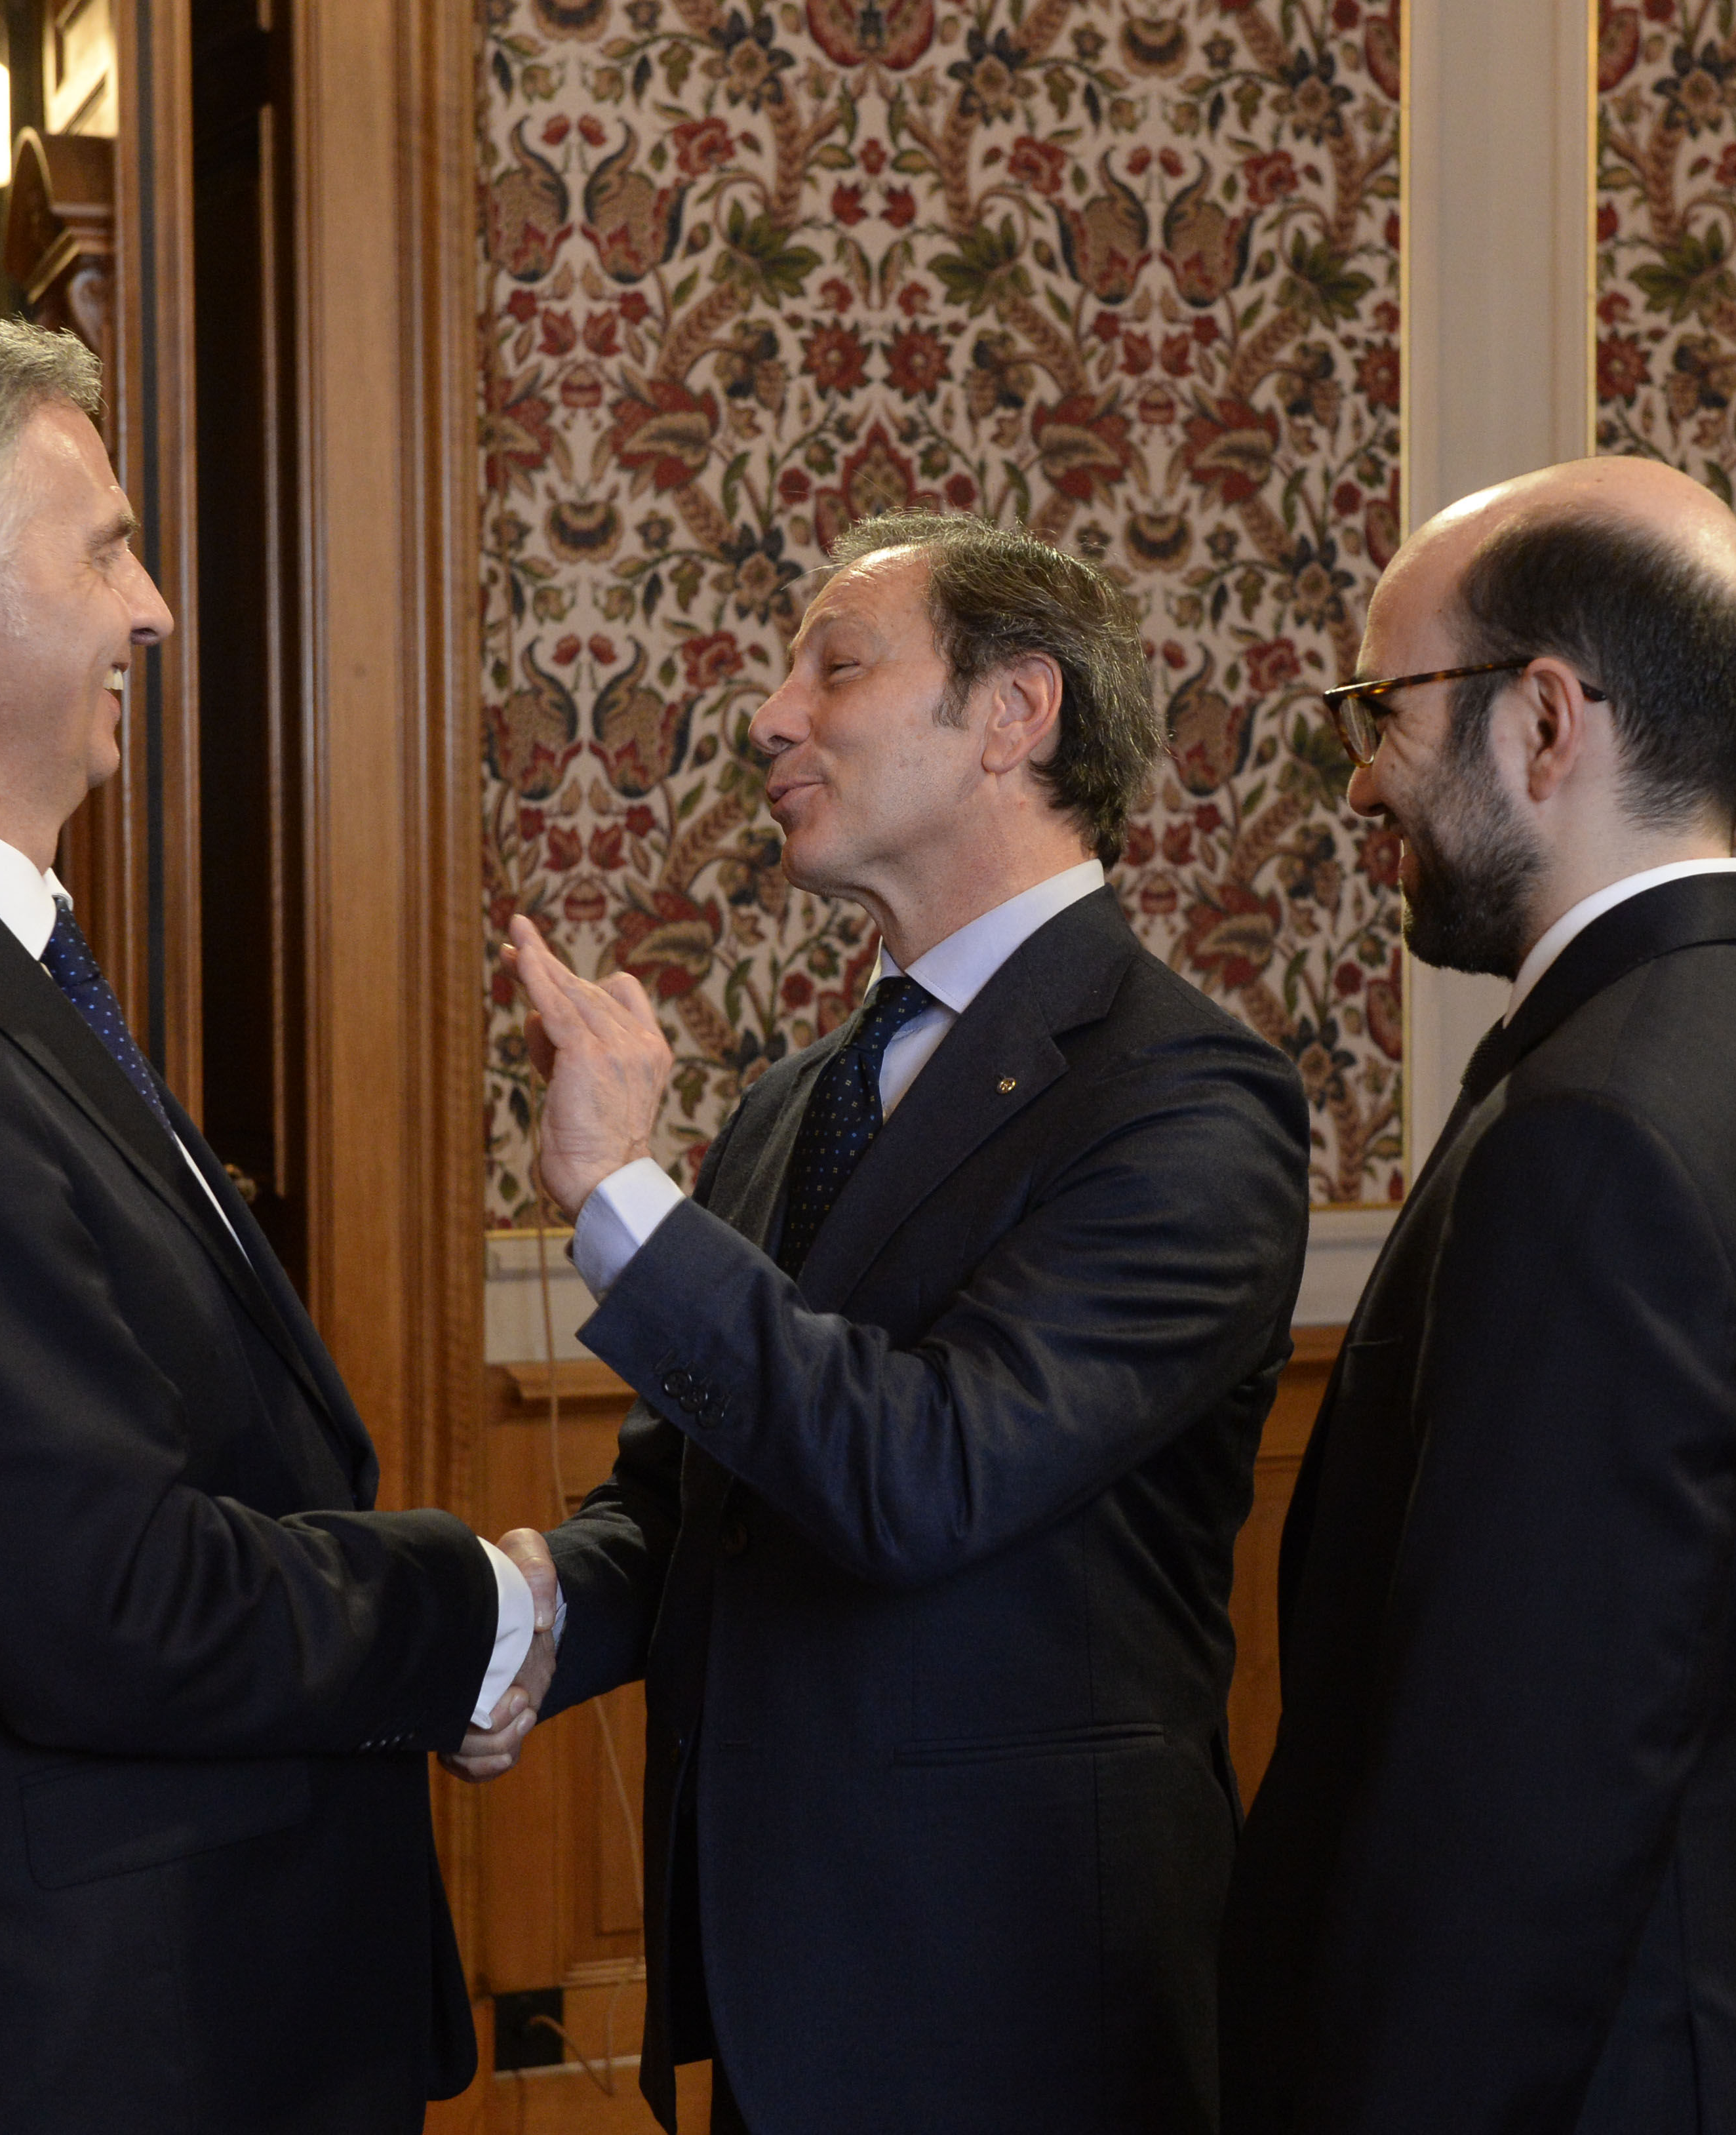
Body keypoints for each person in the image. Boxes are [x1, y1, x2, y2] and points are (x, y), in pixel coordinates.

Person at [0, 306, 557, 2135]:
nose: (150, 608)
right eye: (110, 548)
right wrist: (474, 1602)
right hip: (59, 2052)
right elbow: (111, 1603)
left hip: (162, 2021)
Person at [473, 508, 1311, 2134]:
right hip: (788, 2001)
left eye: (837, 665)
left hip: (1022, 2017)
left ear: (1014, 715)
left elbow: (930, 1469)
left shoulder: (1189, 1098)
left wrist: (615, 1193)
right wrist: (517, 1621)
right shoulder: (803, 1094)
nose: (773, 714)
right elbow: (693, 1505)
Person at [1216, 457, 1736, 2134]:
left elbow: (1518, 1804)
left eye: (1385, 704)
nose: (1366, 776)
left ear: (1544, 723)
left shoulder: (1598, 1128)